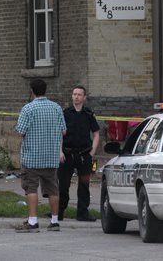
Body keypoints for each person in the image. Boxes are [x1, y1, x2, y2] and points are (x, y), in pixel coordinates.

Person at [15, 79, 66, 233]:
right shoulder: (56, 108)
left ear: (32, 91)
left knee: (31, 188)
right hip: (51, 156)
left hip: (32, 157)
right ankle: (55, 221)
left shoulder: (28, 109)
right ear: (45, 90)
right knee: (53, 189)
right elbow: (64, 131)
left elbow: (20, 131)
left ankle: (32, 221)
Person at [58, 85, 100, 221]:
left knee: (84, 185)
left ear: (84, 97)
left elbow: (96, 133)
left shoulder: (88, 114)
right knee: (63, 185)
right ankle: (58, 212)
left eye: (79, 94)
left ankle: (82, 213)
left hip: (84, 155)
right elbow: (59, 133)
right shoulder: (65, 113)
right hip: (67, 153)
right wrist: (60, 151)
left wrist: (92, 152)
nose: (76, 97)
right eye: (74, 94)